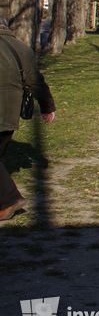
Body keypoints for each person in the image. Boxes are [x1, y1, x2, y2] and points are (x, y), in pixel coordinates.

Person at [0, 18, 56, 221]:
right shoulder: (21, 48)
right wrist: (48, 106)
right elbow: (35, 81)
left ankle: (10, 200)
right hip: (10, 110)